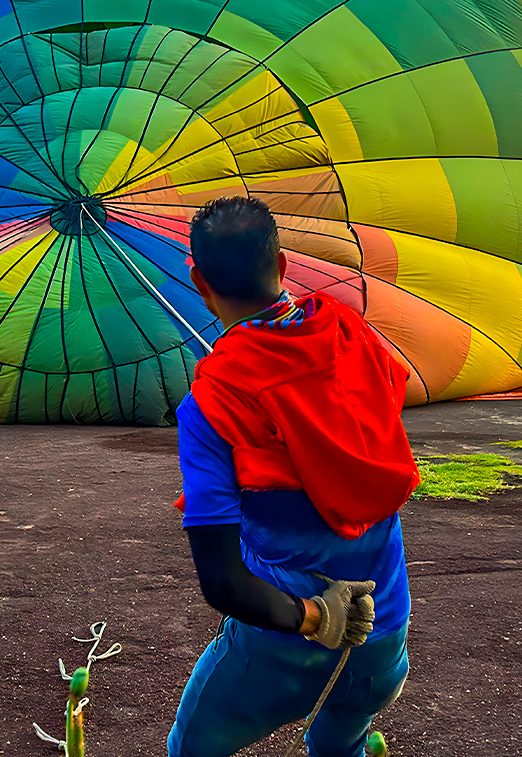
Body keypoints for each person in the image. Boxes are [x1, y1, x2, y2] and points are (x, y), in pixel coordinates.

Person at [169, 197, 421, 757]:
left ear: (197, 280)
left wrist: (314, 617)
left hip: (286, 645)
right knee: (340, 746)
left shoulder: (213, 403)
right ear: (282, 265)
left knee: (191, 749)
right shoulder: (352, 335)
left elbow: (222, 582)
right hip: (385, 633)